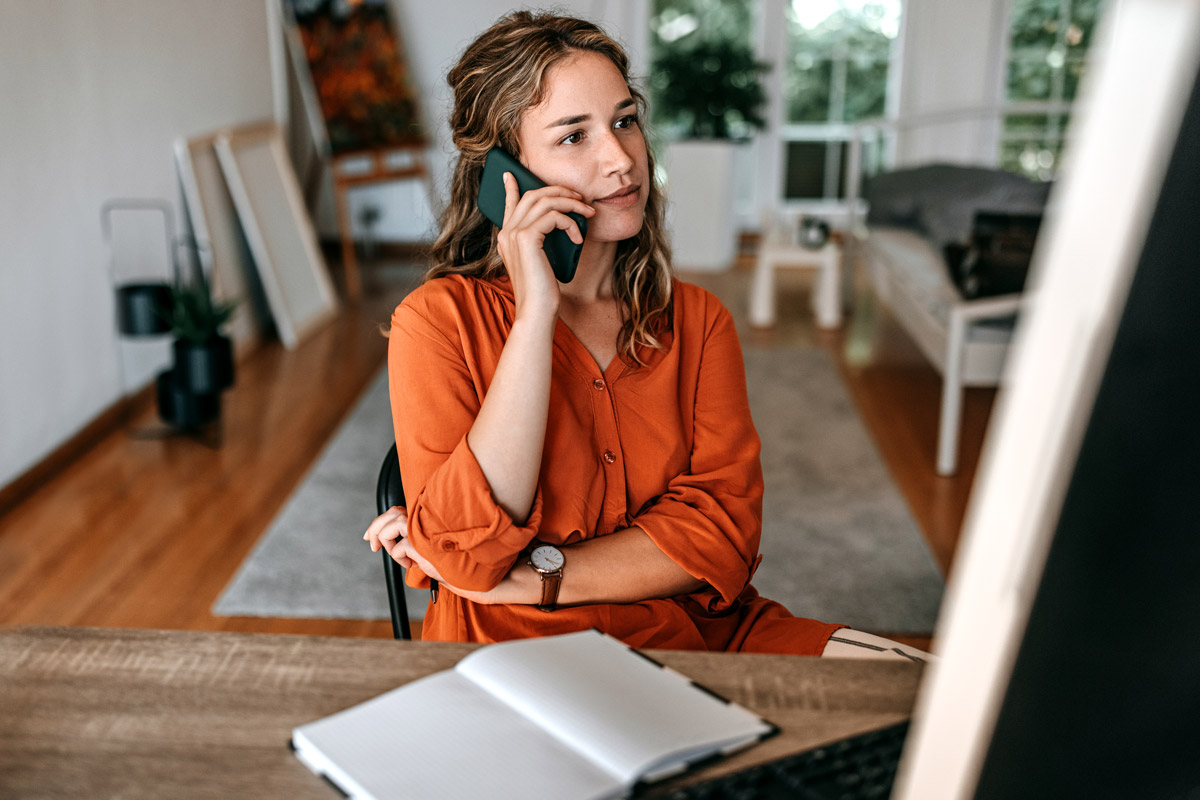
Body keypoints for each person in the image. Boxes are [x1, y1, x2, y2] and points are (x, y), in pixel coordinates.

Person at [365, 11, 927, 660]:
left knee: (928, 695)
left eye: (624, 121)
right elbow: (465, 553)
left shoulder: (699, 321)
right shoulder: (438, 322)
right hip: (516, 649)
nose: (621, 159)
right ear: (506, 174)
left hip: (700, 638)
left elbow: (722, 535)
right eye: (574, 137)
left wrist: (534, 575)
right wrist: (535, 315)